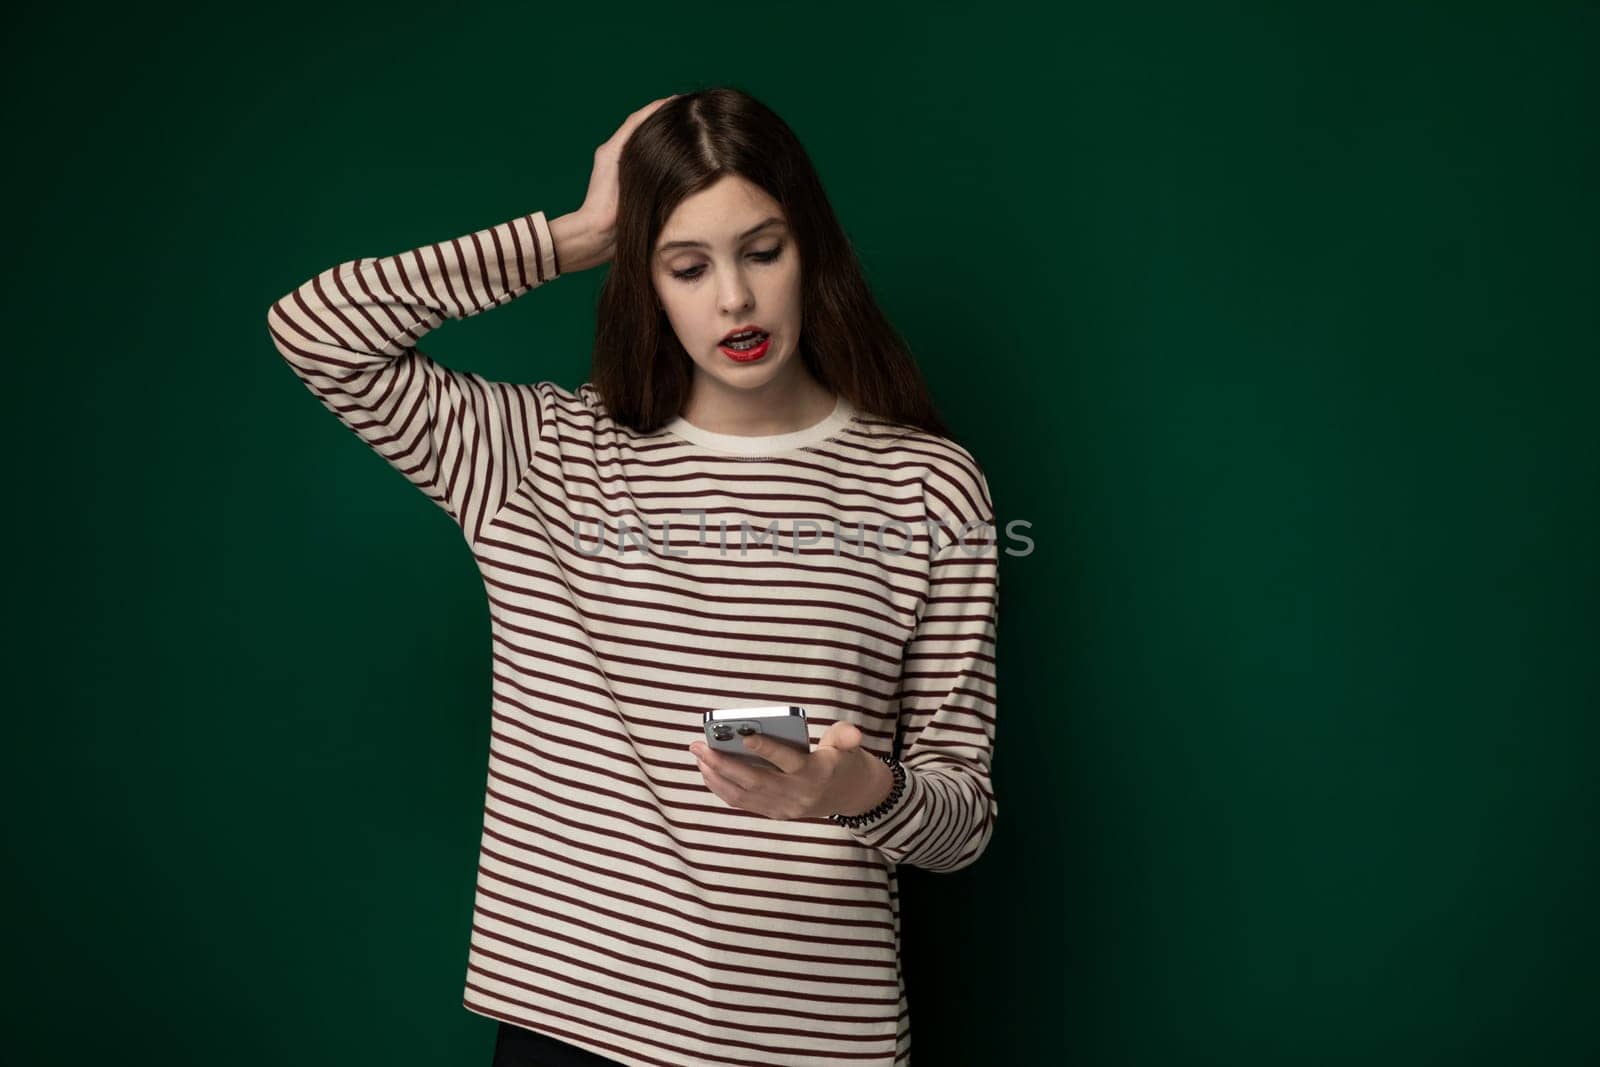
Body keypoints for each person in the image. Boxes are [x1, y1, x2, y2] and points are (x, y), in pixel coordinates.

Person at [266, 86, 1000, 1067]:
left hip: (815, 1039)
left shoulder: (926, 487)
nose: (732, 298)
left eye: (761, 250)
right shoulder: (535, 456)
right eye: (685, 264)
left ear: (812, 248)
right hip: (574, 1031)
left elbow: (961, 822)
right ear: (642, 279)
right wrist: (576, 233)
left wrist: (854, 785)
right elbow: (317, 329)